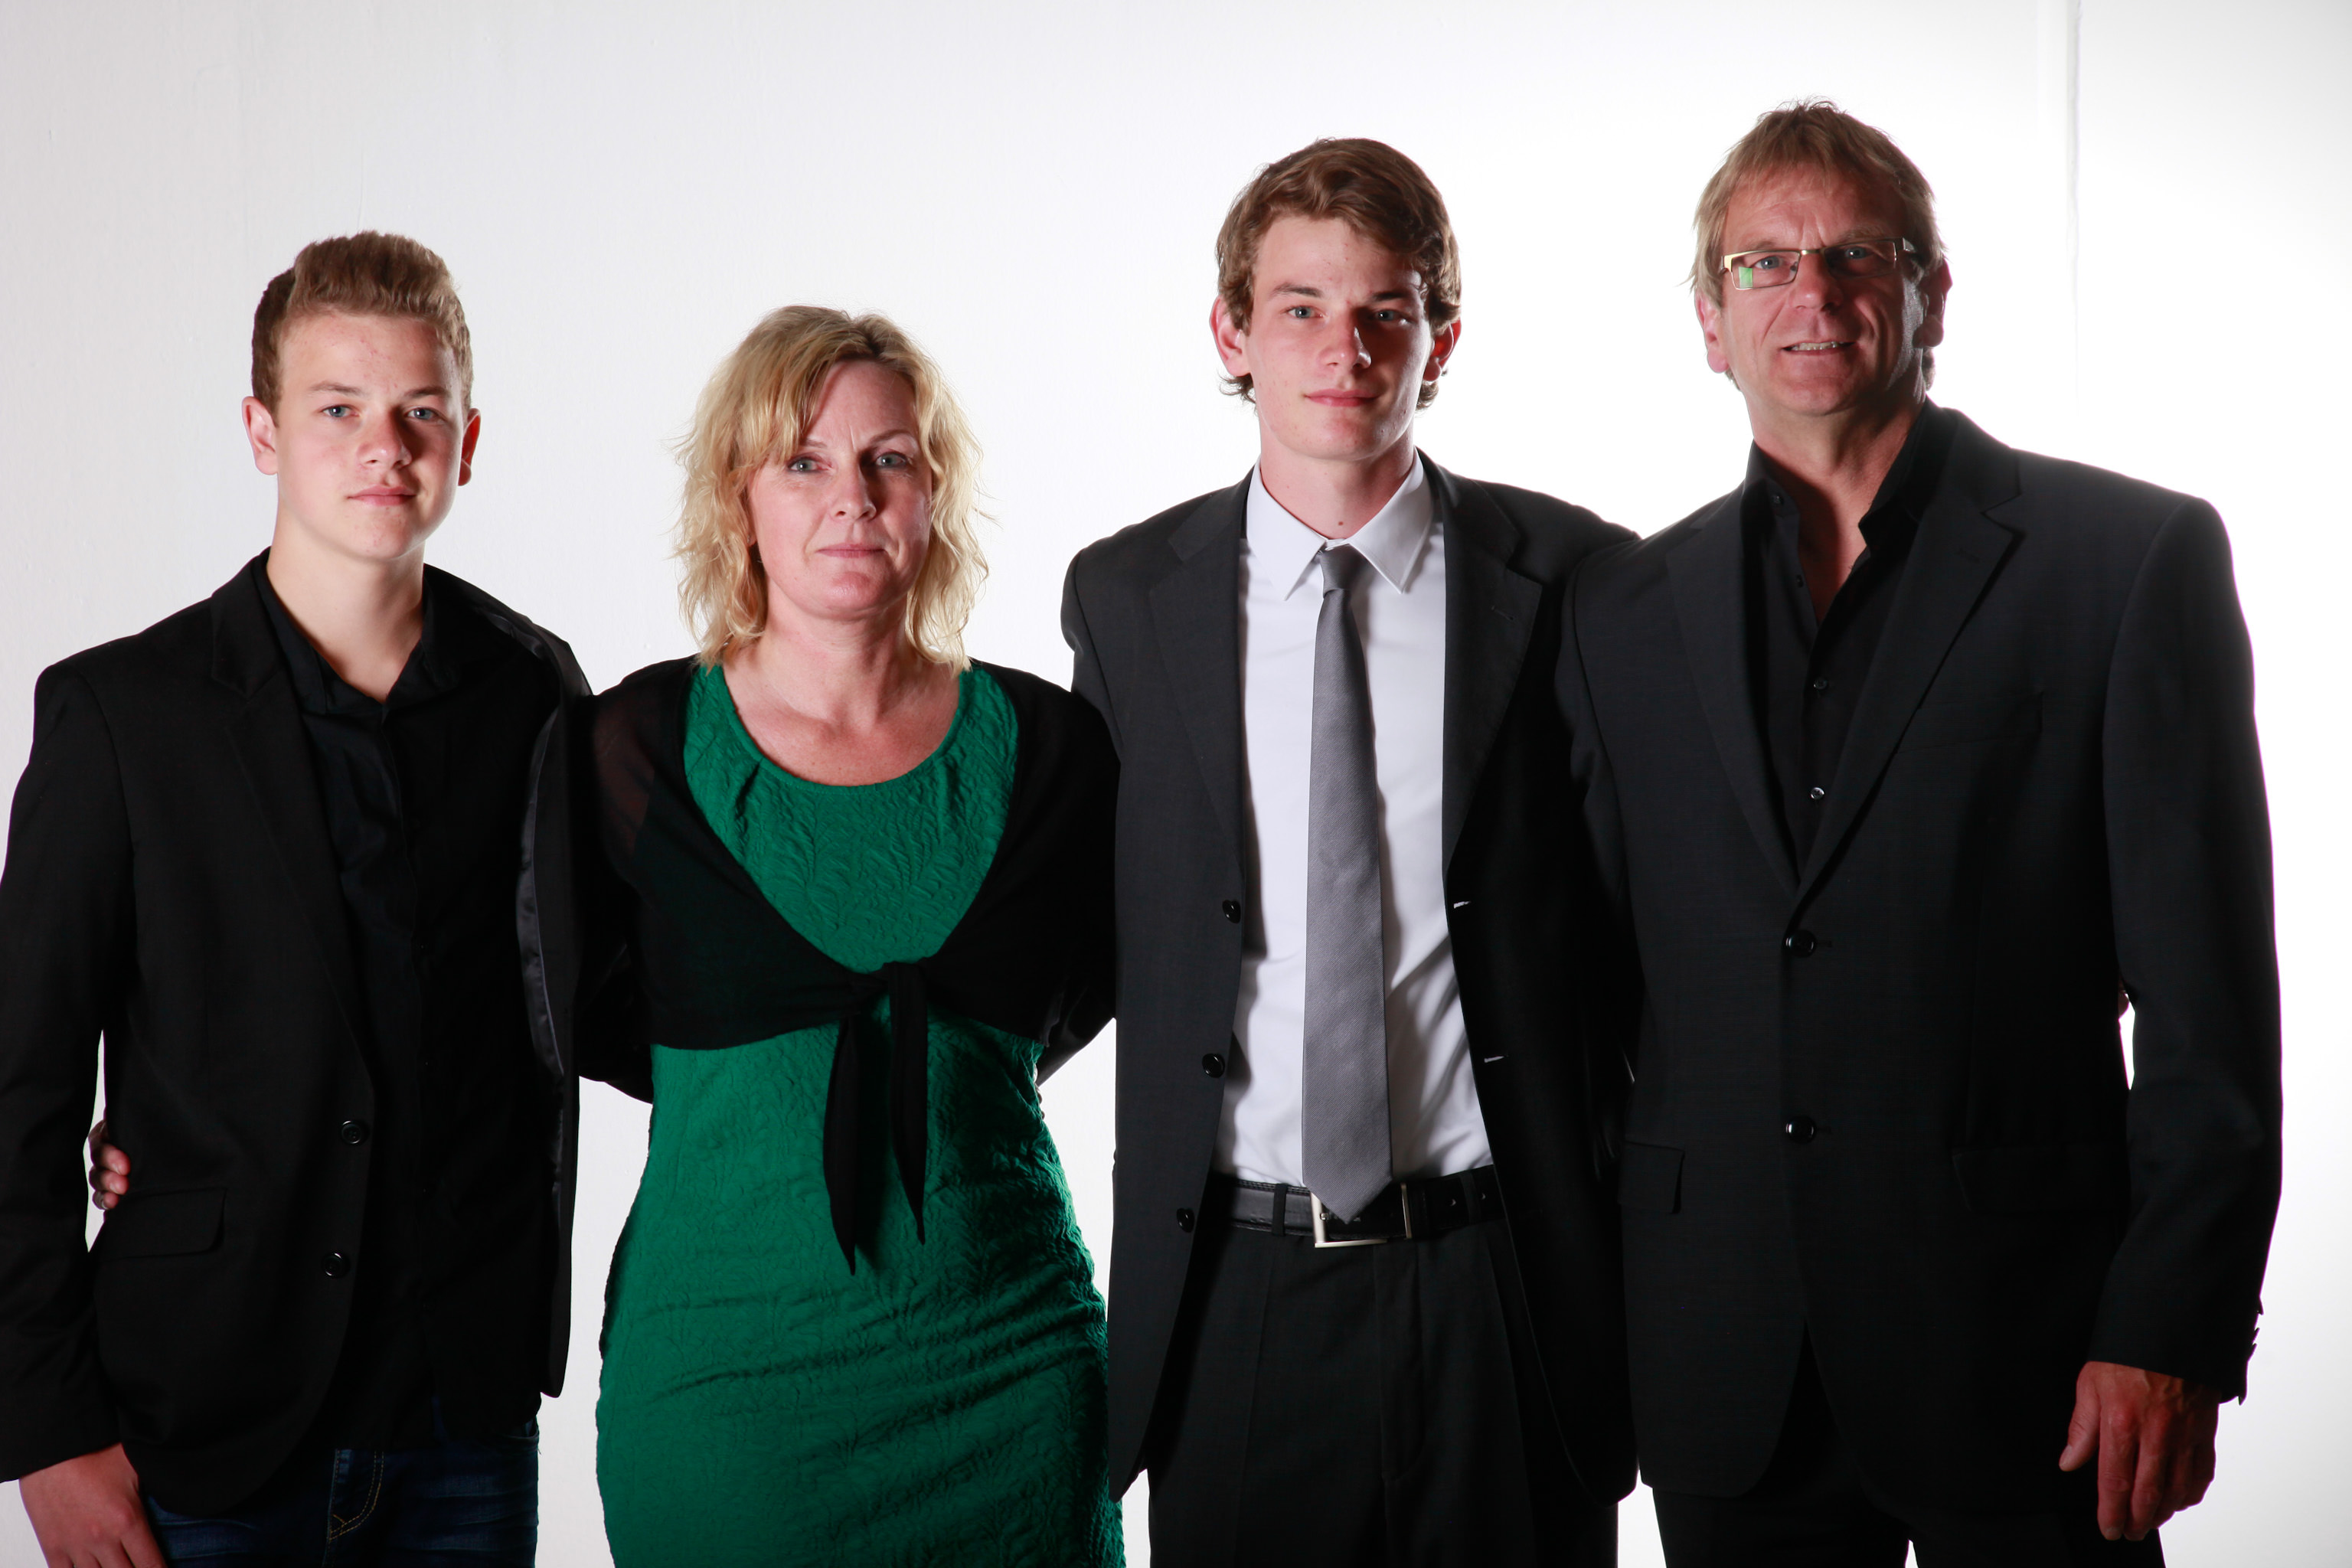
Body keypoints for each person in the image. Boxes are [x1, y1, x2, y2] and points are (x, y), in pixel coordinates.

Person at [1559, 100, 2281, 1565]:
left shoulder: (2127, 560)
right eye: (1764, 263)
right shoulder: (1620, 611)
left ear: (1930, 293)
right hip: (1725, 1365)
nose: (1811, 294)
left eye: (1856, 255)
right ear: (1709, 321)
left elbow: (2210, 1008)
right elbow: (1597, 1007)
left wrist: (2172, 1324)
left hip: (2034, 1355)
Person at [1062, 139, 1635, 1566]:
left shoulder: (1574, 581)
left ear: (1443, 339)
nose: (1346, 349)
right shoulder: (1127, 600)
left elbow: (1644, 926)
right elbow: (1094, 921)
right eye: (1301, 307)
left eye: (1388, 310)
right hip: (1236, 1296)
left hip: (1505, 1284)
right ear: (1231, 334)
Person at [0, 233, 590, 1566]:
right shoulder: (120, 714)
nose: (384, 446)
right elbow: (18, 1087)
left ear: (468, 442)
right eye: (337, 409)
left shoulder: (537, 693)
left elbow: (581, 995)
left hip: (462, 1421)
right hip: (197, 1420)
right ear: (262, 432)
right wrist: (48, 1430)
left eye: (420, 411)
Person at [580, 306, 1120, 1567]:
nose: (852, 500)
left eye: (889, 460)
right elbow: (556, 1010)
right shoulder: (633, 748)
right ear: (740, 498)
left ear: (934, 491)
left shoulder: (1052, 750)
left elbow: (1085, 995)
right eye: (805, 463)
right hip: (725, 1388)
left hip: (1012, 1371)